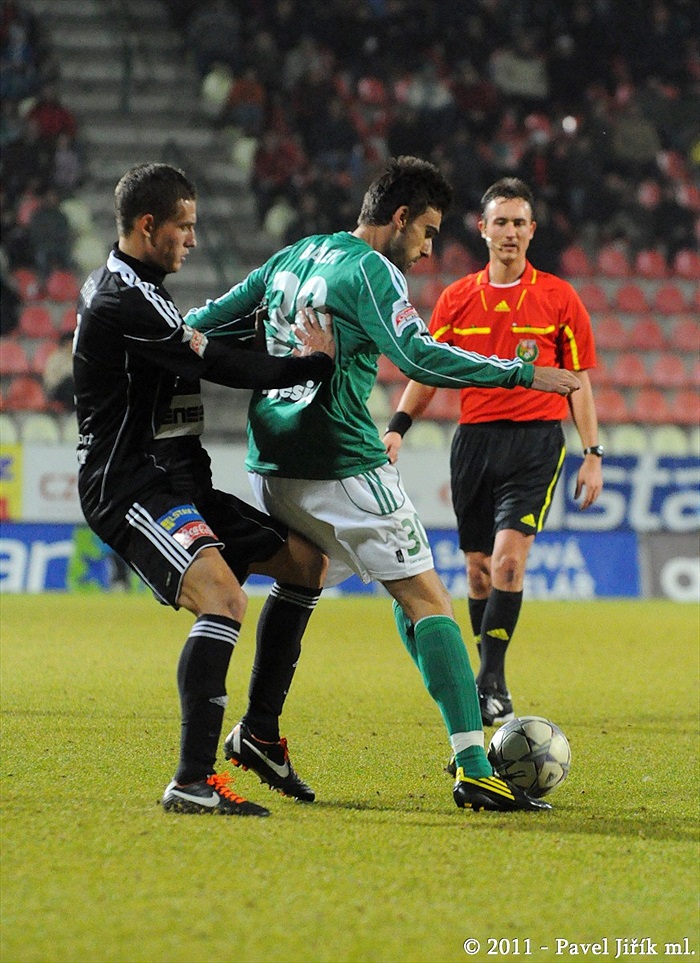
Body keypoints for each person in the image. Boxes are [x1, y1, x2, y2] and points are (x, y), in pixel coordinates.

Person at [186, 156, 582, 813]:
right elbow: (418, 355)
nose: (428, 250)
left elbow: (207, 321)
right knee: (428, 599)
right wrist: (520, 373)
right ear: (398, 219)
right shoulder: (371, 270)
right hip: (342, 463)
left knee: (305, 571)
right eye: (426, 232)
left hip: (273, 466)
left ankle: (258, 730)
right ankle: (475, 765)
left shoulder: (295, 256)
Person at [73, 163, 336, 817]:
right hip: (126, 482)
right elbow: (212, 361)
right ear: (148, 225)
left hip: (172, 478)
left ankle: (260, 734)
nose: (192, 239)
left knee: (307, 564)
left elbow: (198, 346)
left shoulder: (144, 289)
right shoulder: (122, 299)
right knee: (222, 596)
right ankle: (192, 780)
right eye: (184, 227)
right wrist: (310, 363)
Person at [386, 176, 603, 730]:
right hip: (475, 442)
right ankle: (488, 676)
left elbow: (577, 379)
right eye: (499, 222)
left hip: (535, 442)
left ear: (533, 230)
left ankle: (493, 679)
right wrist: (397, 427)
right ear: (482, 230)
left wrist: (593, 452)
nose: (509, 232)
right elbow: (427, 370)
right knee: (479, 572)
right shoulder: (458, 299)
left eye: (518, 222)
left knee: (509, 559)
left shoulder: (559, 297)